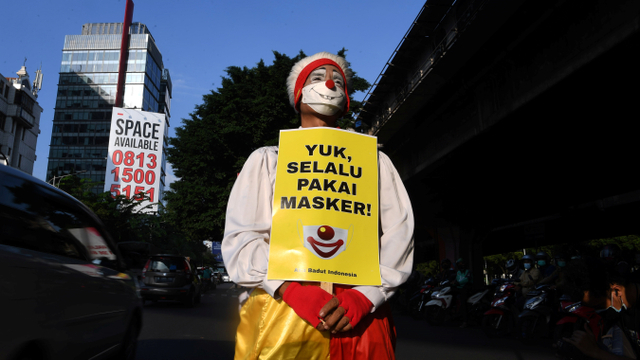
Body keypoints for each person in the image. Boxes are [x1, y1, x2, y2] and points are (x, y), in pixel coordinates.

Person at [221, 52, 414, 360]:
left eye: (338, 80)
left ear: (347, 98)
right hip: (282, 317)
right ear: (297, 93)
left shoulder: (375, 162)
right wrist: (291, 289)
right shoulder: (268, 159)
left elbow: (399, 232)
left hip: (359, 321)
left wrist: (365, 296)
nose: (329, 83)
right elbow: (242, 238)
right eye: (317, 77)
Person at [561, 258, 640, 359]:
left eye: (600, 306)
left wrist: (595, 352)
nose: (599, 312)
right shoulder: (622, 315)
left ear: (616, 290)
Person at [453, 258, 472, 328]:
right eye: (460, 264)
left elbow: (467, 279)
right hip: (459, 288)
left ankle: (465, 321)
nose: (461, 265)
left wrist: (458, 283)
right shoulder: (458, 272)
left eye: (462, 263)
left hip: (467, 288)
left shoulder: (468, 271)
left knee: (463, 303)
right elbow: (456, 280)